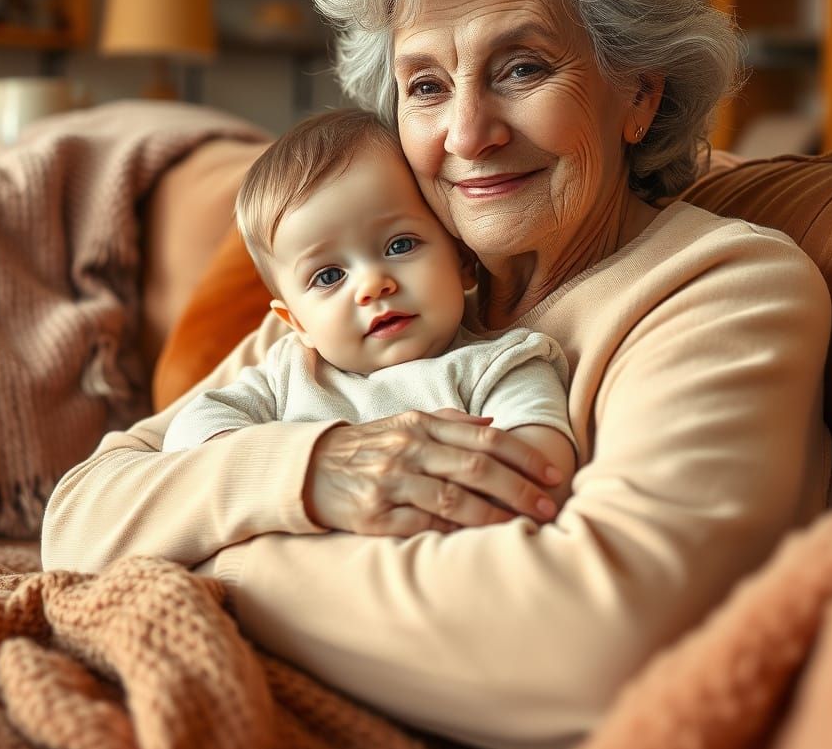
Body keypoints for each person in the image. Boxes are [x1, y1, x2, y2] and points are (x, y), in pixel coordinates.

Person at [42, 0, 832, 749]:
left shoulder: (724, 291)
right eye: (425, 85)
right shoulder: (370, 297)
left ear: (638, 94)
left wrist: (207, 560)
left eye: (523, 68)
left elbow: (591, 648)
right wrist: (308, 474)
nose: (467, 133)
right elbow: (78, 517)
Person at [161, 108, 577, 531]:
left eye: (399, 245)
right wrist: (295, 467)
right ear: (297, 323)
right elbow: (186, 440)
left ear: (463, 260)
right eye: (328, 276)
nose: (372, 285)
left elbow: (538, 478)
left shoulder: (499, 366)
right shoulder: (287, 373)